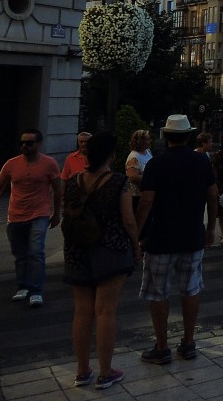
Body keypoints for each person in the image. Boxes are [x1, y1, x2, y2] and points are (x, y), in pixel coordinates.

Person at [136, 114, 218, 365]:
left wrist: (136, 234)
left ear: (166, 136)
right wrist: (211, 228)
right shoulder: (202, 162)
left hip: (161, 237)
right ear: (189, 136)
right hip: (192, 234)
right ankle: (188, 342)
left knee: (158, 292)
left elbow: (146, 201)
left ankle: (162, 347)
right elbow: (213, 195)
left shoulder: (156, 164)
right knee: (191, 288)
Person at [64, 132, 141, 390]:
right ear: (111, 155)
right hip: (110, 250)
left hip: (78, 251)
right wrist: (136, 246)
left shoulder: (74, 181)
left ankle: (82, 370)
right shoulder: (118, 182)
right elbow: (128, 220)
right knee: (106, 312)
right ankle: (106, 372)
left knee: (82, 312)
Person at [0, 128, 62, 306]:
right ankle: (23, 286)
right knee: (20, 253)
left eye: (29, 143)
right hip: (15, 215)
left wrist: (56, 213)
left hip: (40, 213)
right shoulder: (11, 164)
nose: (24, 146)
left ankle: (36, 290)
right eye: (21, 143)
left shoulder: (49, 163)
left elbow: (57, 190)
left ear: (39, 144)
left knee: (36, 251)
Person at [125, 129, 153, 219]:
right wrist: (150, 177)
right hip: (137, 196)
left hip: (146, 192)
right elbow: (132, 176)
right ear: (140, 141)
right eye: (147, 139)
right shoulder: (134, 157)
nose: (150, 141)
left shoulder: (148, 151)